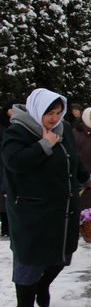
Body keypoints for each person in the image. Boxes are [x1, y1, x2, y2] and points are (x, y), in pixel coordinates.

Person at [1, 89, 91, 307]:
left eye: (58, 113)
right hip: (32, 210)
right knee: (30, 260)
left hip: (62, 205)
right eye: (49, 113)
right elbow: (14, 161)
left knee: (63, 253)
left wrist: (86, 179)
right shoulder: (18, 131)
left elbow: (72, 158)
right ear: (35, 110)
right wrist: (44, 144)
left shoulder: (62, 130)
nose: (54, 119)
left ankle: (42, 284)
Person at [0, 98, 22, 238]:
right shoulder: (2, 125)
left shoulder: (18, 124)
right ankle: (5, 228)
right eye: (11, 109)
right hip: (2, 163)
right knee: (3, 199)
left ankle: (11, 227)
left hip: (11, 162)